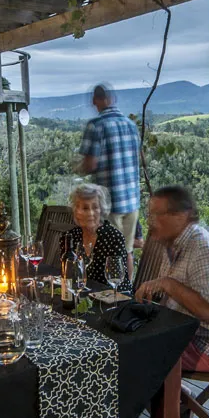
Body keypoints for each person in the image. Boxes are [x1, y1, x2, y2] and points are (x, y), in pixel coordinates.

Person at [135, 185, 209, 373]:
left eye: (157, 215)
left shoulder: (204, 250)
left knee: (134, 354)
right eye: (149, 215)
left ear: (181, 216)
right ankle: (165, 389)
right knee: (128, 335)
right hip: (183, 332)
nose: (150, 222)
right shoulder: (172, 242)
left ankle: (166, 391)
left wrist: (168, 284)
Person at [77, 84, 140, 276]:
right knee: (127, 252)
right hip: (132, 201)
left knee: (109, 253)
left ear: (95, 101)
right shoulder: (131, 125)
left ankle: (110, 291)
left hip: (109, 202)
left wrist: (77, 167)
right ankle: (126, 290)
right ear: (112, 99)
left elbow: (90, 165)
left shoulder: (96, 126)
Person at [59, 183, 129, 290]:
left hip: (111, 296)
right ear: (76, 211)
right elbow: (67, 277)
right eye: (85, 208)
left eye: (95, 207)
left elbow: (119, 283)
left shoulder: (114, 237)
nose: (91, 213)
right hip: (80, 295)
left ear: (101, 209)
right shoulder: (69, 238)